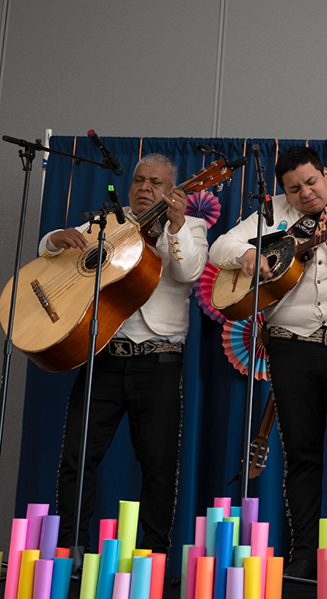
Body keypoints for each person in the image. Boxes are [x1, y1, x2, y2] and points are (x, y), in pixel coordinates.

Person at [209, 146, 327, 580]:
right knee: (302, 455)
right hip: (290, 349)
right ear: (283, 191)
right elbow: (221, 245)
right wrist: (246, 256)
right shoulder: (271, 214)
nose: (305, 193)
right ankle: (305, 555)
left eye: (312, 182)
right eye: (294, 188)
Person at [50, 153, 209, 555]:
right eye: (139, 180)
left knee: (158, 466)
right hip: (103, 356)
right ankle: (70, 549)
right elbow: (55, 253)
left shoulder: (191, 226)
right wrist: (53, 239)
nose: (145, 188)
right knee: (77, 456)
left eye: (155, 182)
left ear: (173, 190)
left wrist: (174, 226)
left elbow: (188, 271)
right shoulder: (109, 221)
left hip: (159, 362)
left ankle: (153, 554)